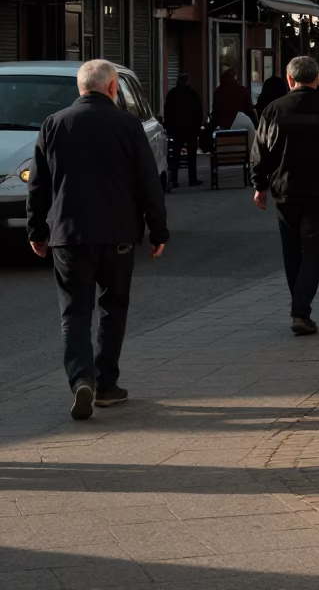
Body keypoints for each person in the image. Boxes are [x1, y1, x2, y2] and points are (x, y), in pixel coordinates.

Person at [26, 59, 168, 421]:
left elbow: (39, 186)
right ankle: (107, 385)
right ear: (112, 88)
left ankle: (80, 379)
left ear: (80, 88)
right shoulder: (128, 125)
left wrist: (37, 232)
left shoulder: (53, 124)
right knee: (113, 307)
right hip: (118, 234)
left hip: (69, 236)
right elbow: (148, 182)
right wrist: (157, 230)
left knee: (74, 311)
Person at [251, 56, 319, 336]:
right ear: (318, 79)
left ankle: (301, 310)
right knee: (313, 250)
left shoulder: (273, 110)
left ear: (289, 79)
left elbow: (260, 152)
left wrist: (260, 185)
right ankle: (300, 311)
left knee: (291, 251)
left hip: (285, 192)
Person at [163, 73, 203, 187]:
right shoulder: (193, 94)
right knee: (191, 155)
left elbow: (167, 112)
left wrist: (168, 127)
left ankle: (174, 180)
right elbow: (198, 113)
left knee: (175, 155)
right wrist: (198, 127)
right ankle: (192, 179)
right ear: (188, 82)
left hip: (176, 129)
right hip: (191, 130)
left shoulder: (172, 93)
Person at [210, 67, 257, 149]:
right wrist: (257, 126)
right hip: (242, 132)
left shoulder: (218, 92)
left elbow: (215, 114)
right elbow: (249, 111)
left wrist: (210, 129)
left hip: (224, 132)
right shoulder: (244, 91)